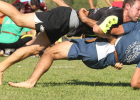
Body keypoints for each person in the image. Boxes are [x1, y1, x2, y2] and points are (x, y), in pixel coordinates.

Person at [7, 21, 140, 89]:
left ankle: (30, 82)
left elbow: (107, 30)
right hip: (103, 61)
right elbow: (135, 83)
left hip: (96, 50)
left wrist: (111, 39)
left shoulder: (136, 25)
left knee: (50, 51)